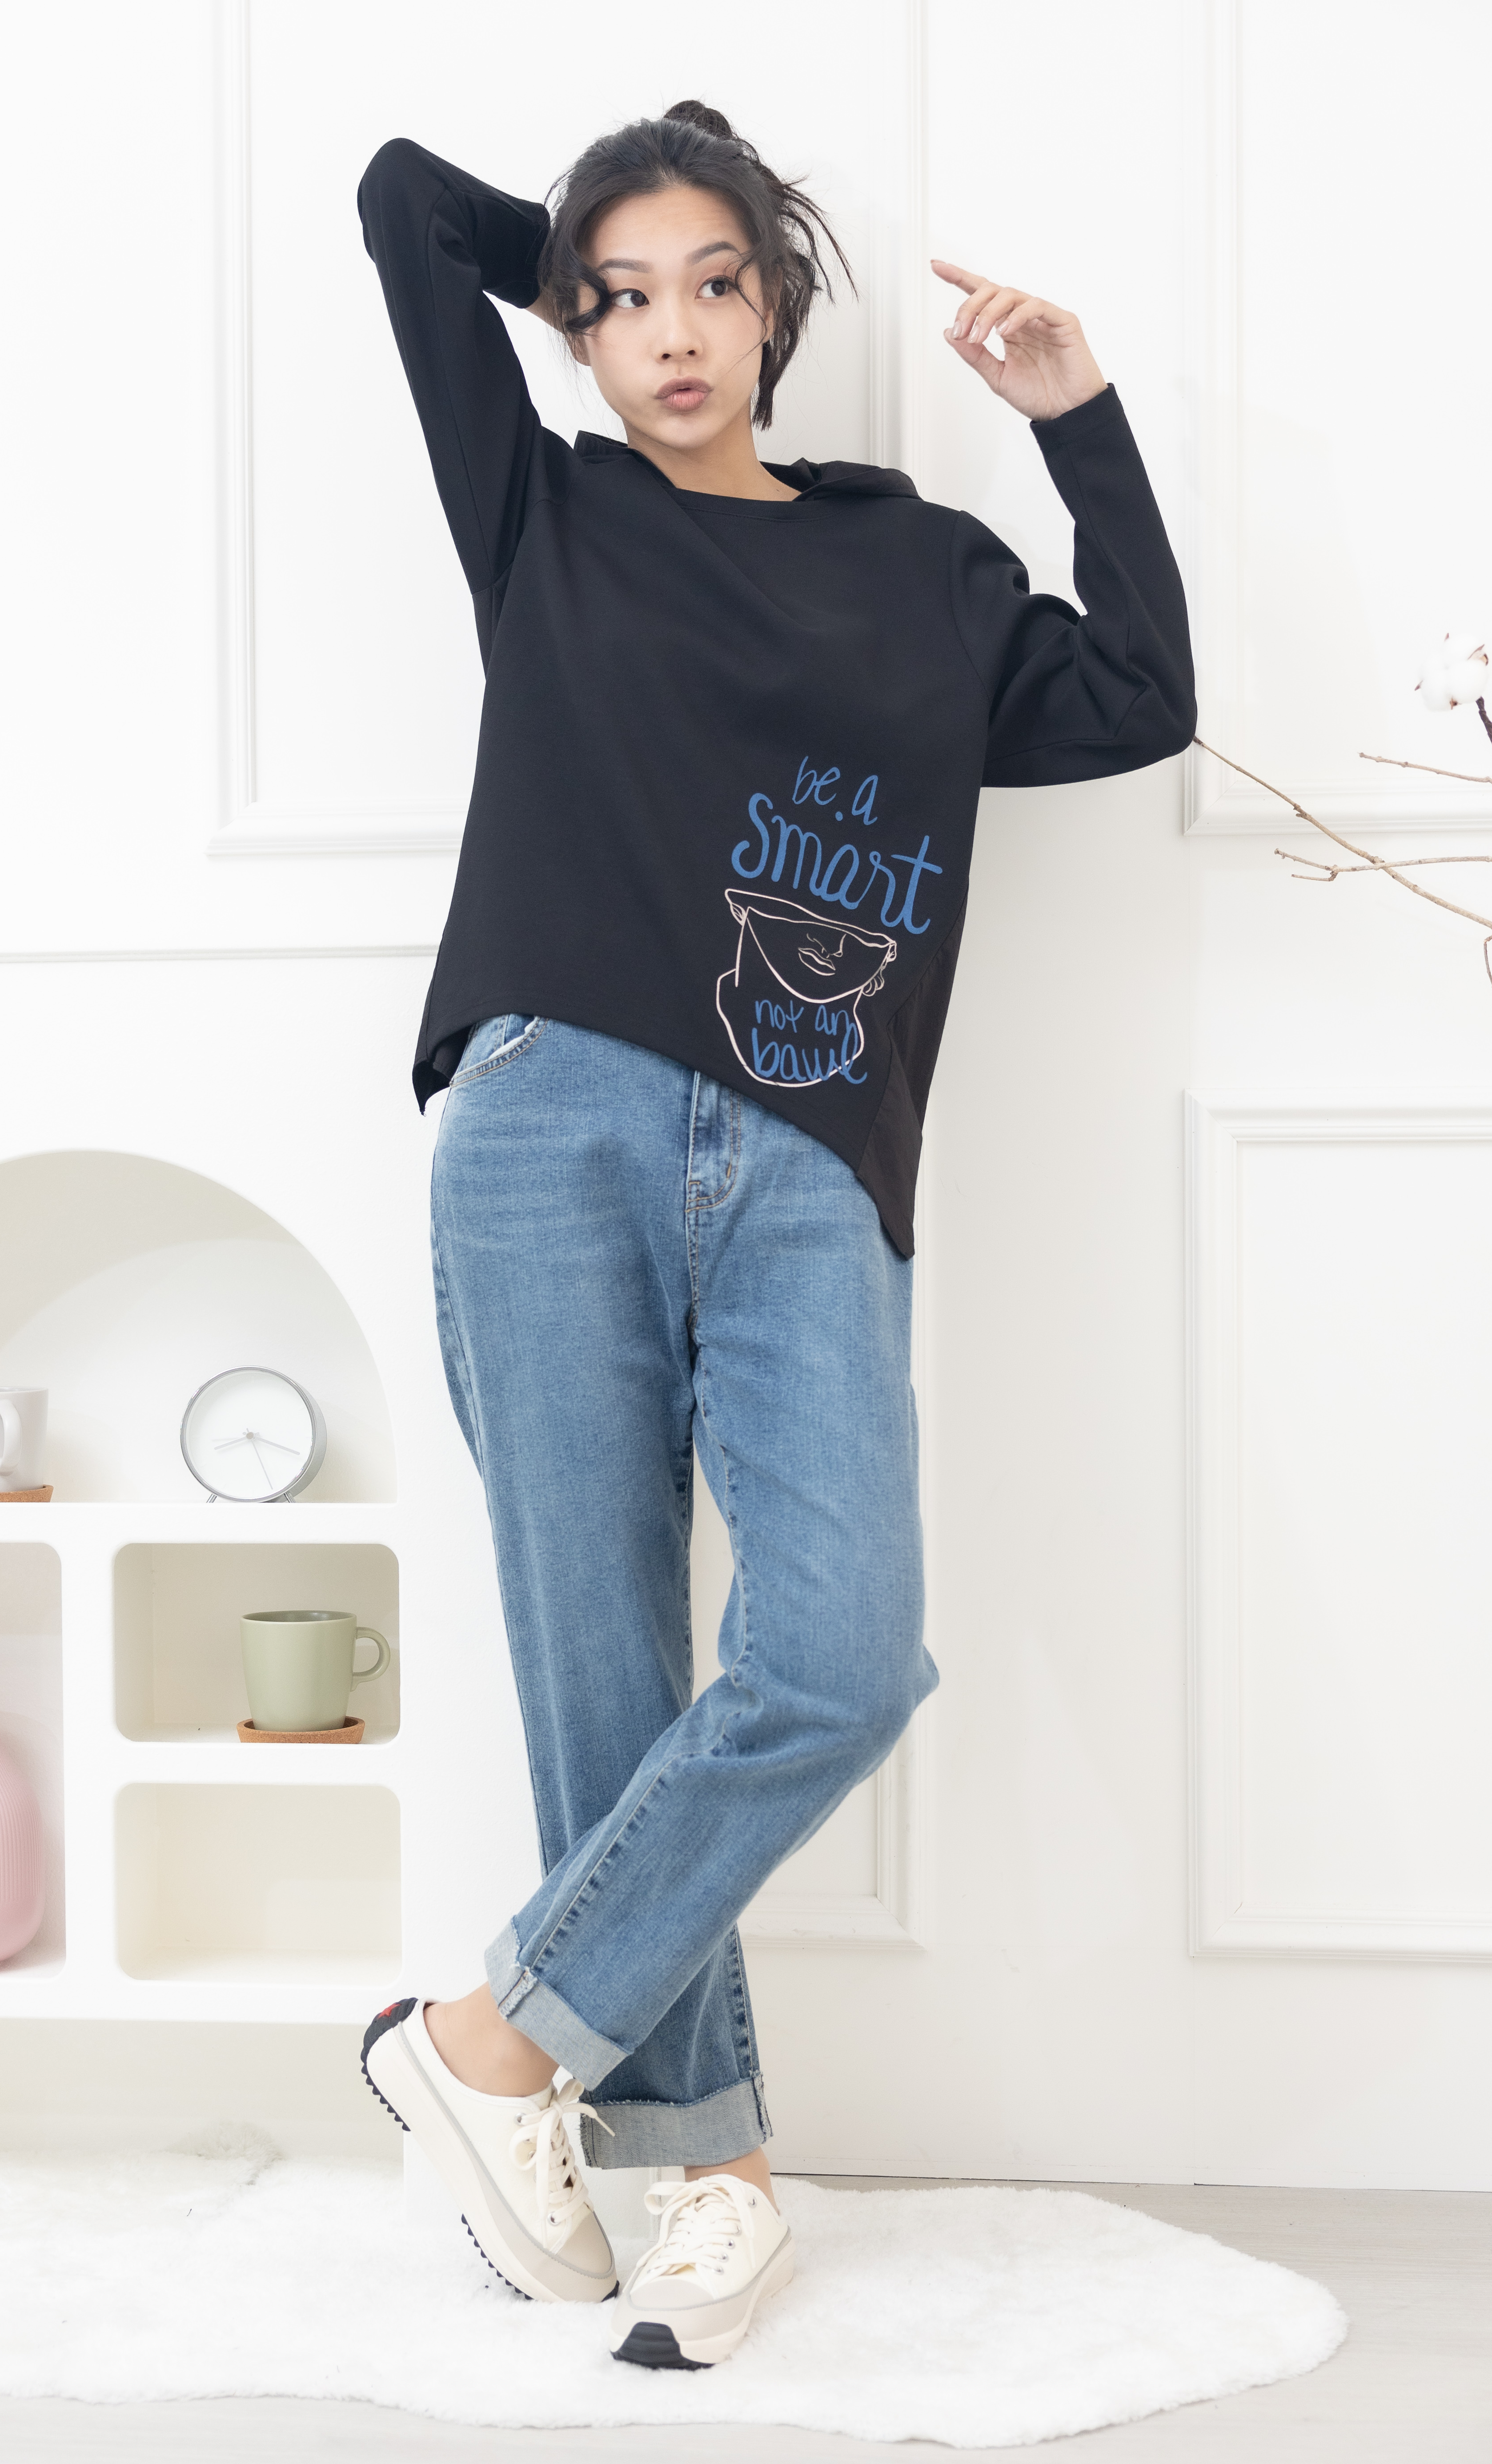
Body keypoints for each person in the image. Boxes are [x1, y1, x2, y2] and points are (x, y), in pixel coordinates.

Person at [354, 99, 1194, 2370]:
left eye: (715, 284)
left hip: (818, 1153)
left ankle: (488, 2043)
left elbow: (1142, 698)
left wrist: (1080, 419)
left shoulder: (919, 564)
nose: (670, 332)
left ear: (777, 307)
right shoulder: (547, 511)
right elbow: (402, 201)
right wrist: (583, 248)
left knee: (839, 1656)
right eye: (621, 299)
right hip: (547, 1119)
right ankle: (705, 2176)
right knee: (604, 1678)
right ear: (574, 324)